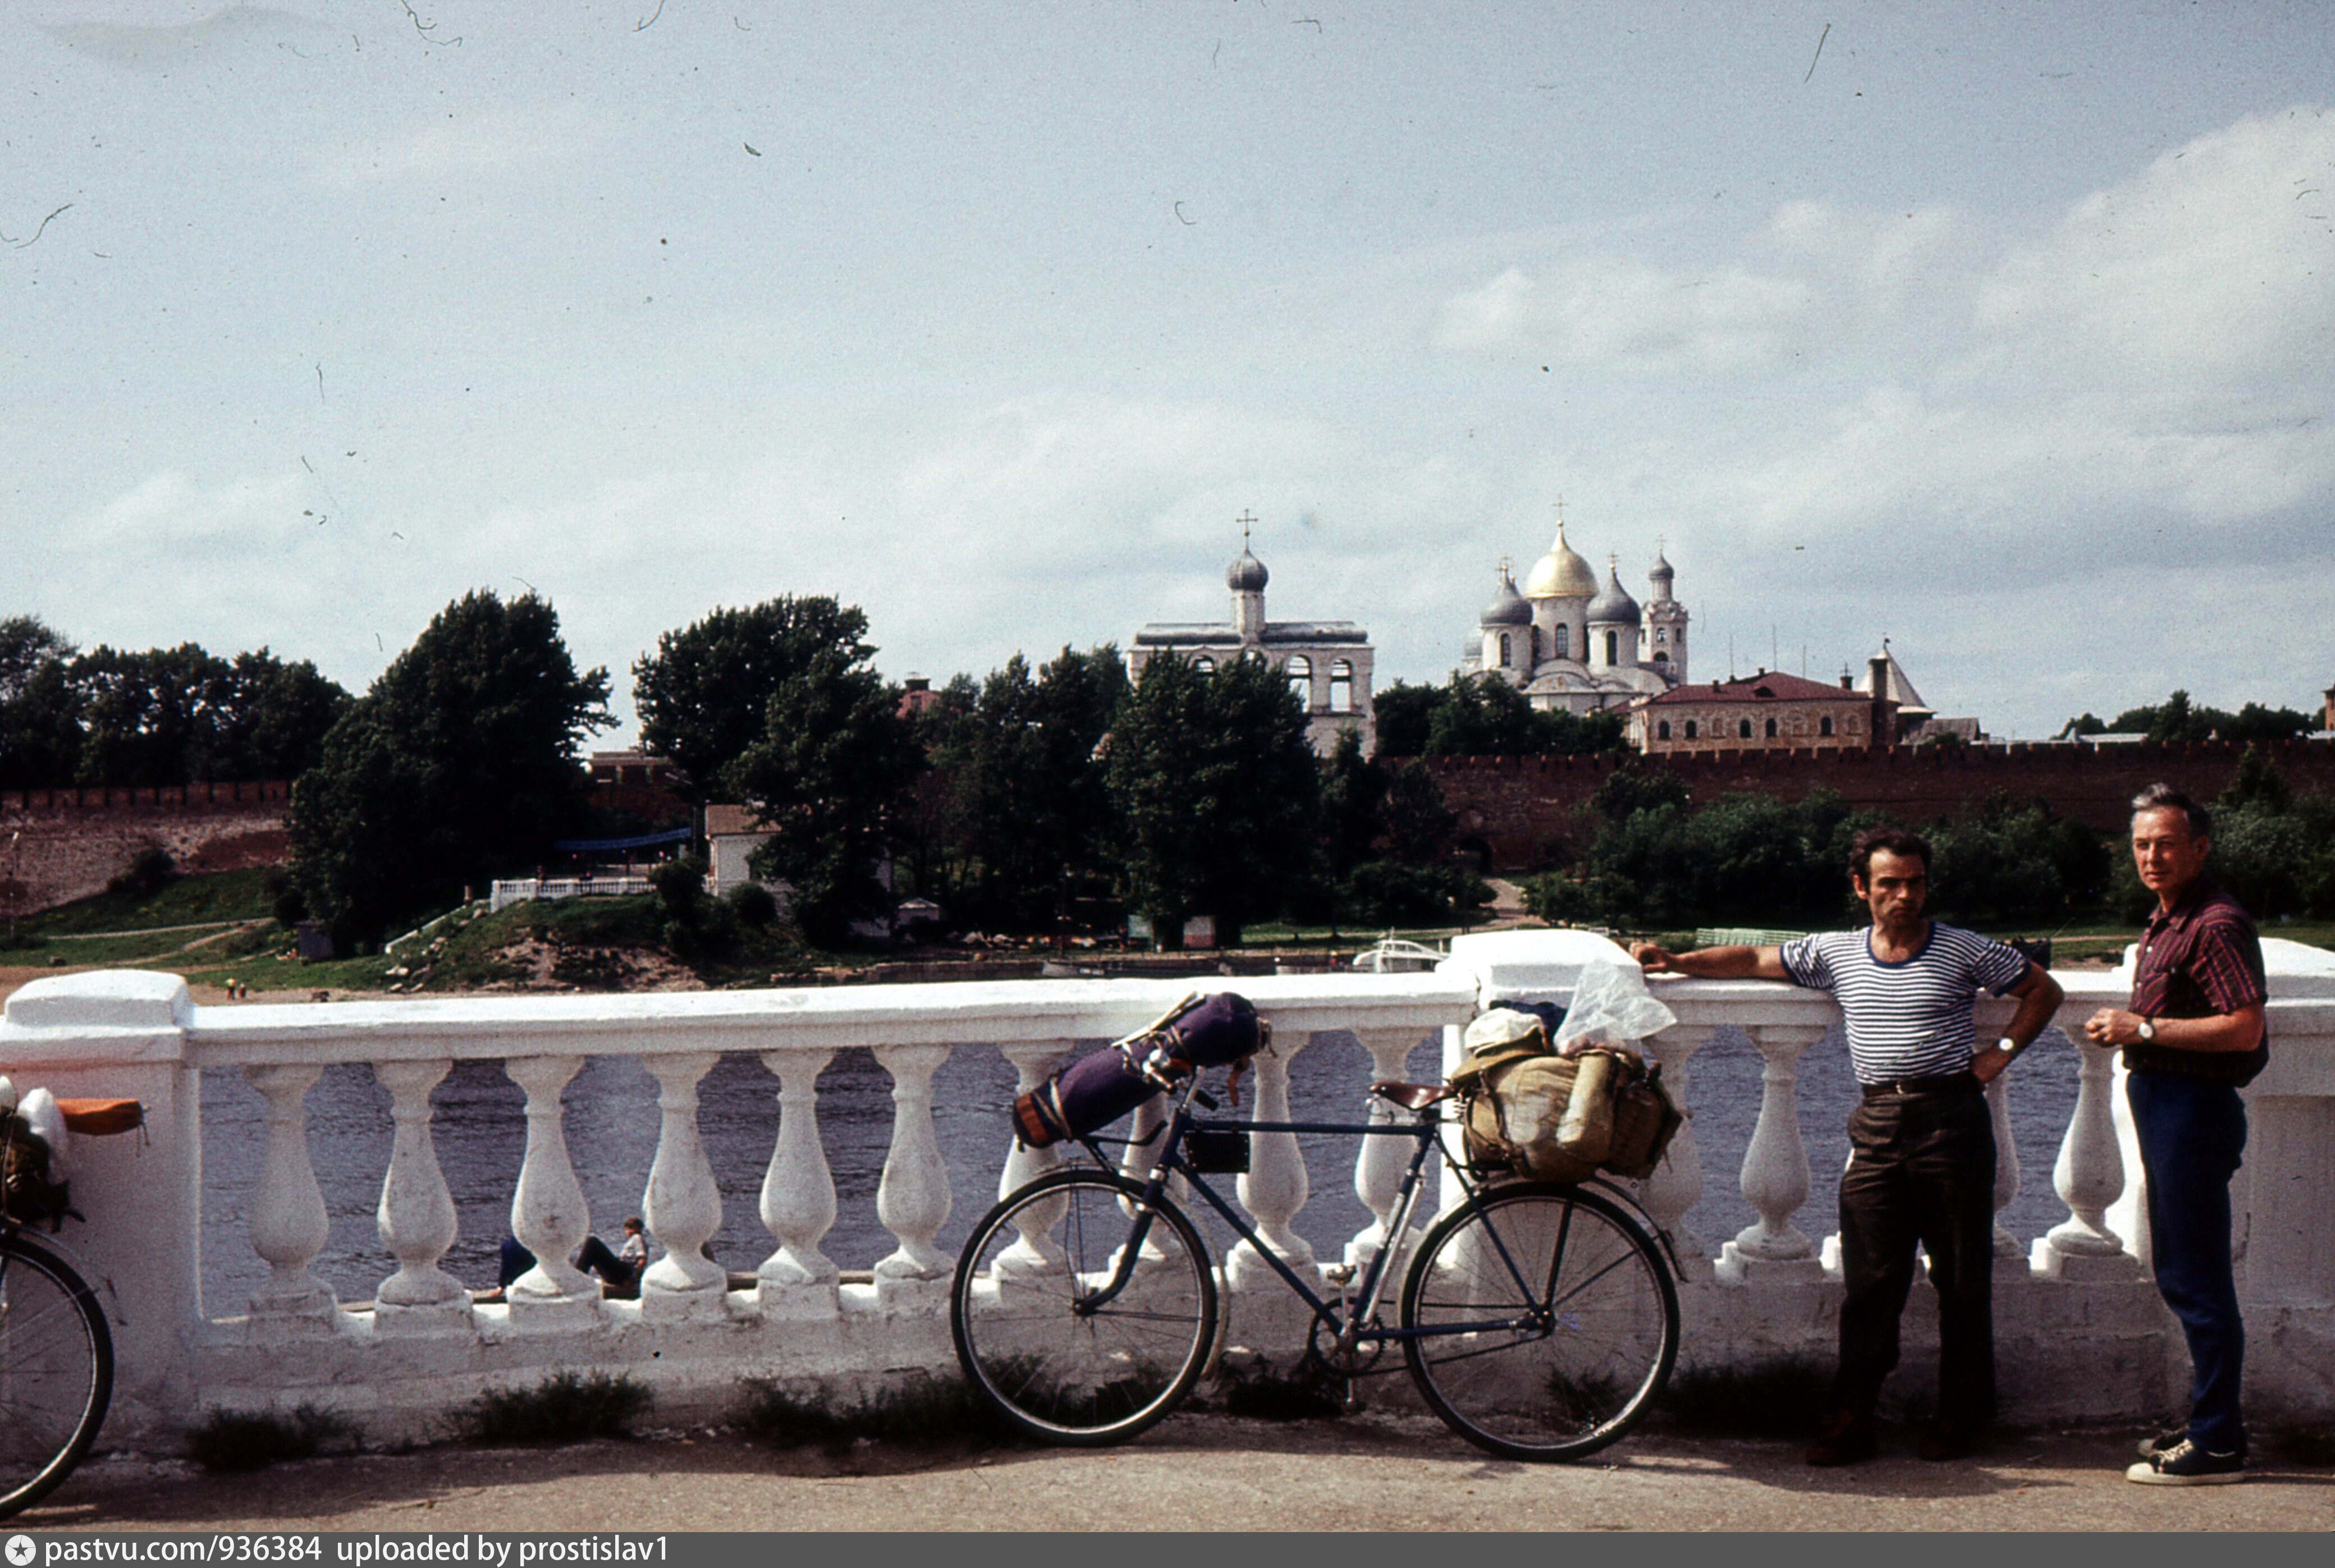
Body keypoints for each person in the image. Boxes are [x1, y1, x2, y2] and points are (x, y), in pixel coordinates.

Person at [1632, 825, 2063, 1465]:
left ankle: (1961, 1417)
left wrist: (1995, 1056)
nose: (1904, 895)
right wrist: (1674, 962)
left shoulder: (1961, 949)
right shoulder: (1836, 952)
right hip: (1877, 1122)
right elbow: (1753, 961)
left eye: (1915, 882)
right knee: (1869, 1285)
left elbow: (2041, 990)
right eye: (1889, 883)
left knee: (1962, 1282)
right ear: (1861, 887)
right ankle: (1850, 1420)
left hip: (1951, 1117)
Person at [2084, 783, 2267, 1486]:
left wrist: (2143, 1029)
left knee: (2196, 1280)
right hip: (2166, 1099)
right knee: (2180, 1272)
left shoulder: (2214, 923)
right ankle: (2206, 1421)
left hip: (2191, 1106)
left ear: (2199, 846)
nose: (2151, 857)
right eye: (2139, 844)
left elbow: (2243, 1027)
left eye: (2164, 843)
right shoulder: (2169, 918)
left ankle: (2217, 1442)